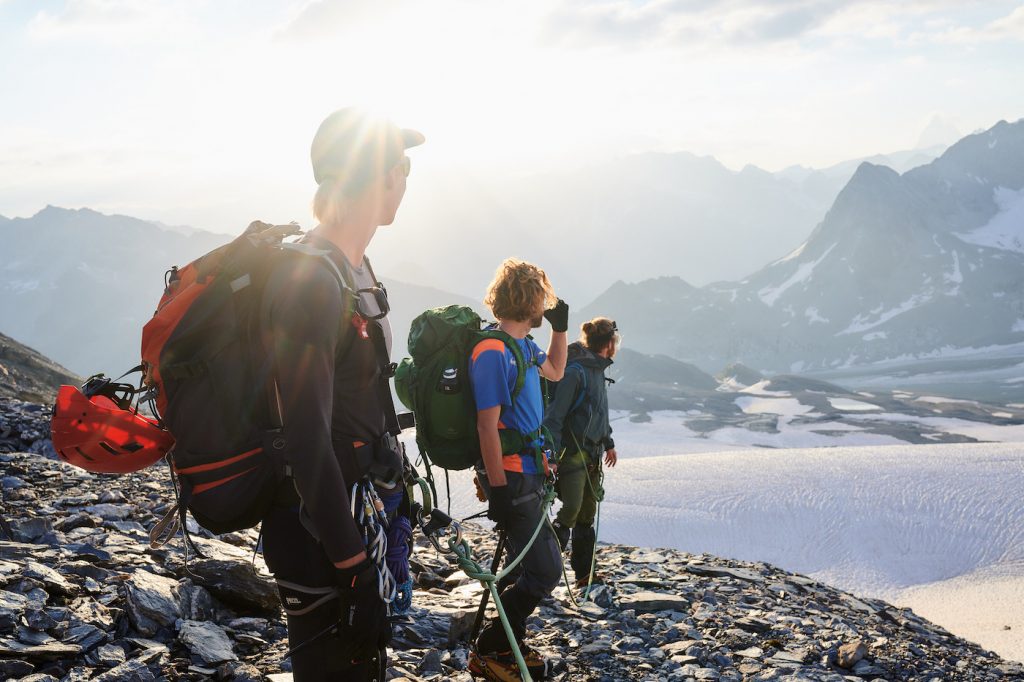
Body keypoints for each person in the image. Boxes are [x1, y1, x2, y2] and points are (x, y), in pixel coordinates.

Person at [258, 107, 423, 681]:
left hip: (349, 519)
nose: (406, 179)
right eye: (401, 166)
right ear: (374, 176)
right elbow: (305, 440)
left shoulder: (354, 269)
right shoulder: (311, 282)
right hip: (319, 537)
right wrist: (354, 568)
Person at [468, 258, 568, 681]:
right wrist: (499, 489)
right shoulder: (492, 351)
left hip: (527, 471)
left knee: (529, 566)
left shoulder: (524, 347)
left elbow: (557, 372)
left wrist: (560, 330)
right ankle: (490, 647)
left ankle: (506, 644)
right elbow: (485, 425)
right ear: (530, 302)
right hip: (511, 475)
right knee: (545, 569)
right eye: (542, 299)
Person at [543, 317, 619, 589]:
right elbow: (554, 417)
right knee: (571, 511)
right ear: (609, 344)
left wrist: (608, 442)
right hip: (573, 455)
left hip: (592, 455)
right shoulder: (577, 372)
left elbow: (599, 411)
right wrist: (550, 456)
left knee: (586, 513)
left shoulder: (596, 370)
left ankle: (584, 574)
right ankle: (541, 570)